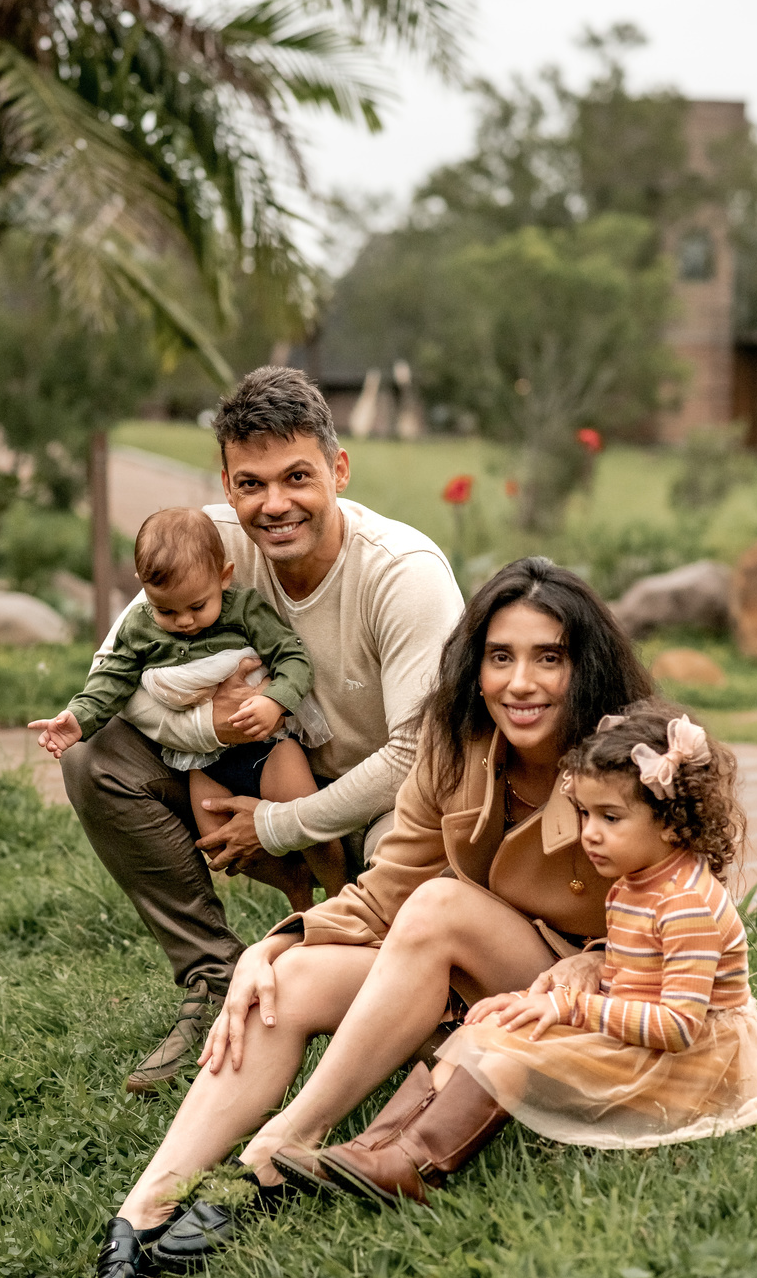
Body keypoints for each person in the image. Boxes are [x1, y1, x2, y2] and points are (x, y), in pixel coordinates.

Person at [80, 556, 657, 1278]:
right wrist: (274, 944)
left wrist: (603, 961)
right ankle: (145, 1208)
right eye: (500, 657)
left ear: (586, 668)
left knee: (444, 906)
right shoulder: (455, 748)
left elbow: (687, 903)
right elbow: (388, 893)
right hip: (459, 981)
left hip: (574, 995)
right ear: (474, 668)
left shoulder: (634, 758)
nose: (522, 683)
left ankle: (283, 1146)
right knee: (282, 986)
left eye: (550, 658)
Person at [41, 367, 463, 1093]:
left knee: (411, 835)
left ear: (338, 468)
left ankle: (396, 1010)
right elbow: (111, 670)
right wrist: (208, 725)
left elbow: (413, 758)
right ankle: (214, 979)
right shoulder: (212, 543)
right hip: (253, 769)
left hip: (393, 805)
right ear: (228, 482)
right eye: (250, 483)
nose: (274, 504)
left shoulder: (403, 574)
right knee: (96, 759)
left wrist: (277, 826)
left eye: (297, 477)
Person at [315, 701, 757, 1200]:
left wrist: (569, 1008)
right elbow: (637, 974)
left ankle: (413, 1167)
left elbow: (677, 1027)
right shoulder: (636, 883)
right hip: (643, 1037)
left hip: (691, 1069)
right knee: (493, 1026)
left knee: (505, 1059)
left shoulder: (686, 905)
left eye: (611, 817)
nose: (589, 833)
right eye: (585, 813)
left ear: (672, 824)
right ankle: (375, 1148)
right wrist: (542, 996)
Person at [30, 506, 346, 908]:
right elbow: (113, 678)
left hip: (268, 748)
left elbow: (293, 658)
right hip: (203, 762)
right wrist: (79, 718)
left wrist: (274, 700)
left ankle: (341, 897)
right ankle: (297, 892)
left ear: (224, 577)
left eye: (197, 606)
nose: (183, 621)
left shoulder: (244, 609)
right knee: (218, 847)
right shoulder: (139, 628)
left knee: (310, 827)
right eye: (167, 611)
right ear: (144, 588)